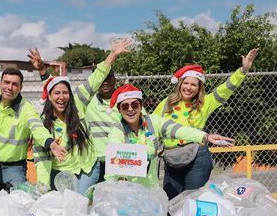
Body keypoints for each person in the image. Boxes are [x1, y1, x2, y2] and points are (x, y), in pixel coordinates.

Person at [154, 48, 260, 199]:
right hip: (172, 157)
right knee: (171, 202)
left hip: (197, 156)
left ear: (199, 89)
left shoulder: (205, 103)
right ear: (180, 84)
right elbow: (151, 125)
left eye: (194, 85)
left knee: (194, 200)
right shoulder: (167, 103)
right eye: (186, 83)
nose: (189, 87)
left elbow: (225, 89)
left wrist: (243, 70)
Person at [30, 38, 132, 194]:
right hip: (61, 173)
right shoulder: (43, 125)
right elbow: (42, 160)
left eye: (65, 93)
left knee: (80, 203)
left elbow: (96, 78)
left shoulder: (78, 102)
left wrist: (113, 55)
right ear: (49, 97)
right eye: (57, 93)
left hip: (87, 169)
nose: (61, 97)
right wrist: (43, 187)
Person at [106, 84, 234, 187]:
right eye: (124, 106)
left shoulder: (153, 121)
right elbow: (114, 162)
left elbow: (178, 130)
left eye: (134, 104)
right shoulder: (116, 131)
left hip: (150, 188)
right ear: (119, 109)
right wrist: (110, 188)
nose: (130, 109)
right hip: (125, 188)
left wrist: (205, 136)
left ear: (141, 105)